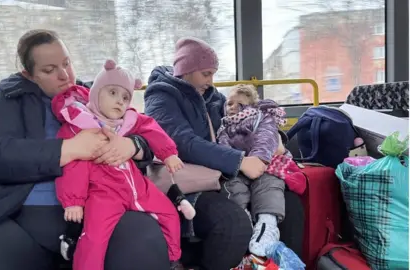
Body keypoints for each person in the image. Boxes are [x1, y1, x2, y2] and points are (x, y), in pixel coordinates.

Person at [0, 29, 172, 270]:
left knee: (144, 243)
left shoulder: (92, 95)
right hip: (24, 211)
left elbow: (147, 132)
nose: (64, 75)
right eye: (49, 70)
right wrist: (69, 149)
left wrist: (133, 146)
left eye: (67, 63)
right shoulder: (8, 99)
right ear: (28, 74)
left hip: (104, 203)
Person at [52, 59, 196, 270]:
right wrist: (73, 200)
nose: (119, 101)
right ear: (95, 93)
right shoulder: (78, 126)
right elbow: (73, 166)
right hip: (104, 192)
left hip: (138, 187)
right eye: (112, 93)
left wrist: (169, 154)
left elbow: (151, 129)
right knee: (94, 238)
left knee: (170, 214)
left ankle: (173, 259)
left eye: (125, 97)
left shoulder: (128, 120)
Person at [144, 37, 256, 269]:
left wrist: (270, 140)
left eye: (213, 73)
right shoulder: (161, 96)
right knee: (233, 224)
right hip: (184, 182)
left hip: (217, 176)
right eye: (206, 74)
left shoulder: (214, 98)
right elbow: (183, 143)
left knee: (286, 199)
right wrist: (240, 161)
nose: (211, 81)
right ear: (187, 70)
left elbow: (238, 126)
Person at [216, 84, 306, 256]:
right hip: (240, 166)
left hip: (265, 163)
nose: (233, 107)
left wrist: (259, 160)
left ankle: (267, 223)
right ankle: (245, 219)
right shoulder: (224, 127)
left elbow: (266, 139)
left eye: (240, 104)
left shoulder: (260, 117)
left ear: (250, 106)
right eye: (229, 103)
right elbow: (223, 147)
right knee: (232, 185)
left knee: (269, 184)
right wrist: (235, 162)